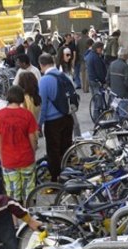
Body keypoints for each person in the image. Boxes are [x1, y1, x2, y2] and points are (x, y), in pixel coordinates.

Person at [0, 85, 38, 204]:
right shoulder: (27, 115)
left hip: (9, 160)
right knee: (29, 191)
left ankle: (16, 221)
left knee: (13, 194)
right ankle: (30, 217)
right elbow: (33, 138)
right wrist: (33, 152)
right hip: (26, 157)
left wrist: (2, 158)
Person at [38, 53, 74, 182]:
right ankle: (69, 175)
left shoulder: (44, 80)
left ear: (41, 65)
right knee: (66, 148)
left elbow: (43, 105)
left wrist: (39, 124)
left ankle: (56, 179)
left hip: (53, 121)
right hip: (67, 117)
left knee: (53, 151)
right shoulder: (64, 76)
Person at [108, 48, 128, 114]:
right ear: (125, 56)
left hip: (114, 91)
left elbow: (107, 78)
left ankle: (115, 122)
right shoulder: (125, 66)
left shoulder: (112, 64)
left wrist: (111, 87)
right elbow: (127, 82)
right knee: (123, 111)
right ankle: (121, 123)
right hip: (123, 93)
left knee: (115, 109)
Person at [86, 41, 107, 113]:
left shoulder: (90, 55)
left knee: (95, 98)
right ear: (97, 48)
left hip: (91, 79)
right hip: (96, 80)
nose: (102, 50)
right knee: (99, 99)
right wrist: (104, 81)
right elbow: (99, 72)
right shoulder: (96, 58)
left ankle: (97, 114)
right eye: (101, 49)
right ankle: (97, 116)